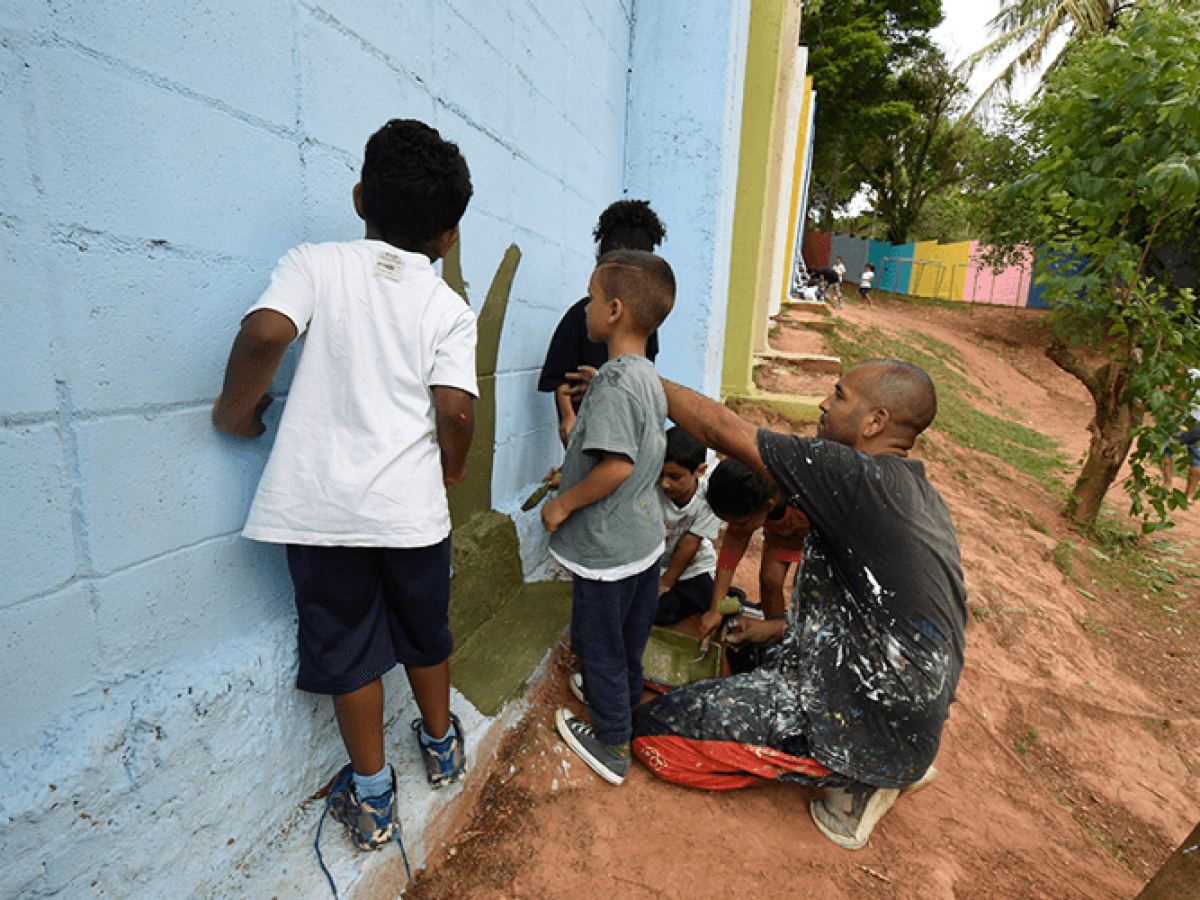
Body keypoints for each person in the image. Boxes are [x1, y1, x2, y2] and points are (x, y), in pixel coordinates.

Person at [212, 119, 476, 857]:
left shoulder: (313, 263)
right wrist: (452, 465)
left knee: (350, 653)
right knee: (427, 634)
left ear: (360, 196)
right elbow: (455, 407)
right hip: (413, 517)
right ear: (449, 237)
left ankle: (373, 797)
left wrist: (236, 414)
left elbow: (266, 334)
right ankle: (440, 745)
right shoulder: (448, 308)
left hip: (320, 513)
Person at [632, 360, 968, 852]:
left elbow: (724, 430)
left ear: (874, 421)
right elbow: (861, 622)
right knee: (743, 655)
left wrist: (636, 374)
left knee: (654, 729)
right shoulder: (911, 493)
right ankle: (873, 761)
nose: (824, 404)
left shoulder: (854, 477)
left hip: (866, 718)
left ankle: (858, 780)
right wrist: (770, 631)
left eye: (839, 395)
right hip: (894, 708)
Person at [541, 249, 676, 786]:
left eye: (592, 299)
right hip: (642, 542)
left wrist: (563, 503)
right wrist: (602, 385)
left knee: (598, 641)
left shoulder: (618, 384)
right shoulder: (640, 374)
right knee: (627, 638)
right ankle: (619, 699)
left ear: (615, 310)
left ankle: (613, 740)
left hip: (608, 550)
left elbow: (617, 466)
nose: (586, 309)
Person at [537, 200, 665, 446]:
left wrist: (603, 387)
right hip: (586, 430)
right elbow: (559, 375)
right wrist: (568, 417)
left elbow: (644, 375)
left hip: (622, 428)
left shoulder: (646, 324)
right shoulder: (579, 317)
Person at [700, 457, 810, 632]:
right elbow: (728, 559)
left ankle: (798, 633)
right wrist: (716, 610)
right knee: (770, 580)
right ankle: (774, 635)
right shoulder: (752, 500)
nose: (735, 529)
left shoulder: (806, 496)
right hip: (782, 536)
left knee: (807, 588)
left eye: (741, 524)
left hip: (823, 539)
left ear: (768, 506)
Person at [653, 426, 722, 627]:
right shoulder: (650, 489)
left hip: (695, 567)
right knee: (653, 612)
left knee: (720, 608)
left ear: (700, 471)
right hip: (654, 568)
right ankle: (685, 602)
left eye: (675, 477)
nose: (665, 484)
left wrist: (666, 582)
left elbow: (691, 543)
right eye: (660, 474)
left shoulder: (708, 497)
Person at [1162, 367, 1200, 502]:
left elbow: (1182, 397)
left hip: (1187, 420)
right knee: (1197, 460)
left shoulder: (1194, 374)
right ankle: (1188, 496)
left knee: (1166, 449)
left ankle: (1167, 486)